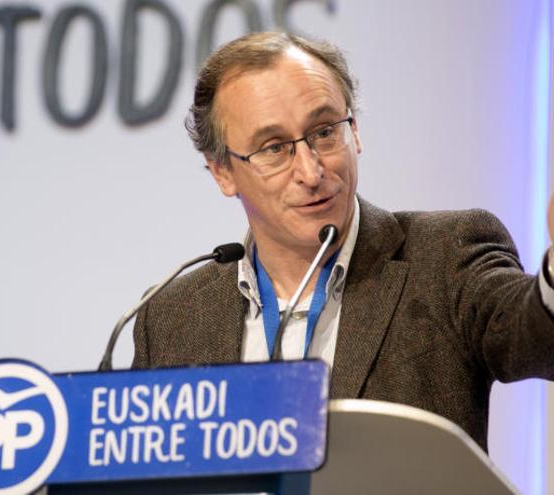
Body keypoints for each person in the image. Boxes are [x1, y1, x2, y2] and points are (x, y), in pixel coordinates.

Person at [131, 31, 554, 451]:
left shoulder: (445, 256)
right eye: (275, 147)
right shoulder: (171, 317)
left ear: (355, 131)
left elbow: (530, 332)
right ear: (223, 171)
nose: (311, 171)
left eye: (324, 132)